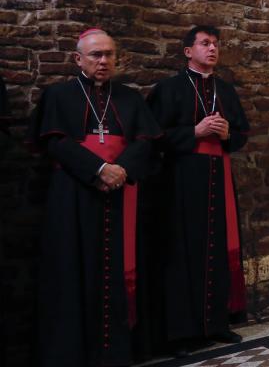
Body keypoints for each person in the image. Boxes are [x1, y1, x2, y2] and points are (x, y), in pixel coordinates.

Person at [27, 28, 161, 367]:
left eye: (109, 55)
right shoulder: (58, 96)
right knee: (71, 269)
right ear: (78, 59)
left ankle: (119, 351)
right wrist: (99, 169)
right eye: (95, 55)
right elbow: (55, 142)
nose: (103, 61)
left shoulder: (130, 98)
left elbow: (146, 143)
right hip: (74, 195)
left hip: (121, 195)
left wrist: (121, 171)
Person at [147, 25, 249, 351]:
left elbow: (242, 133)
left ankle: (216, 324)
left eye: (216, 44)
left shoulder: (226, 90)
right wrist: (195, 130)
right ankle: (182, 332)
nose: (213, 49)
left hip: (218, 175)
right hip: (181, 179)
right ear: (188, 51)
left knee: (217, 250)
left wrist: (226, 134)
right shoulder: (169, 88)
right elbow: (154, 137)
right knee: (182, 251)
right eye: (205, 43)